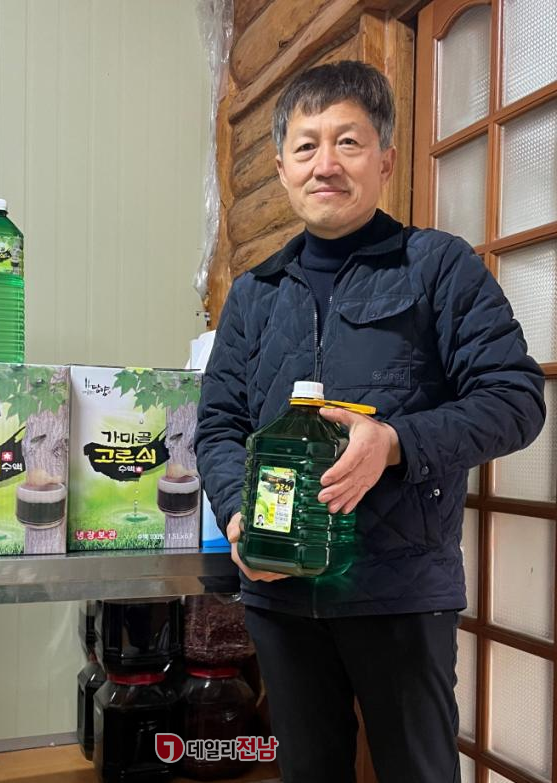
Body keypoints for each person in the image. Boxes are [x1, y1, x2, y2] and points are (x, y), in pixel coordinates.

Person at [194, 61, 545, 783]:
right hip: (280, 591)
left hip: (402, 590)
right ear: (283, 169)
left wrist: (394, 442)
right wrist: (236, 513)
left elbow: (515, 398)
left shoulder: (437, 267)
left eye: (348, 142)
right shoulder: (255, 293)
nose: (325, 164)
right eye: (306, 146)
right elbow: (219, 426)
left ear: (384, 159)